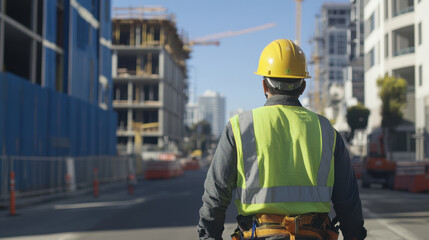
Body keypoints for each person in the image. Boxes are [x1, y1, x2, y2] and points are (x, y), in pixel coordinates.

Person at [197, 39, 366, 240]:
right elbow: (348, 201)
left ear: (263, 85)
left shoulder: (239, 127)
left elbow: (216, 197)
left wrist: (207, 237)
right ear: (302, 86)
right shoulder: (326, 131)